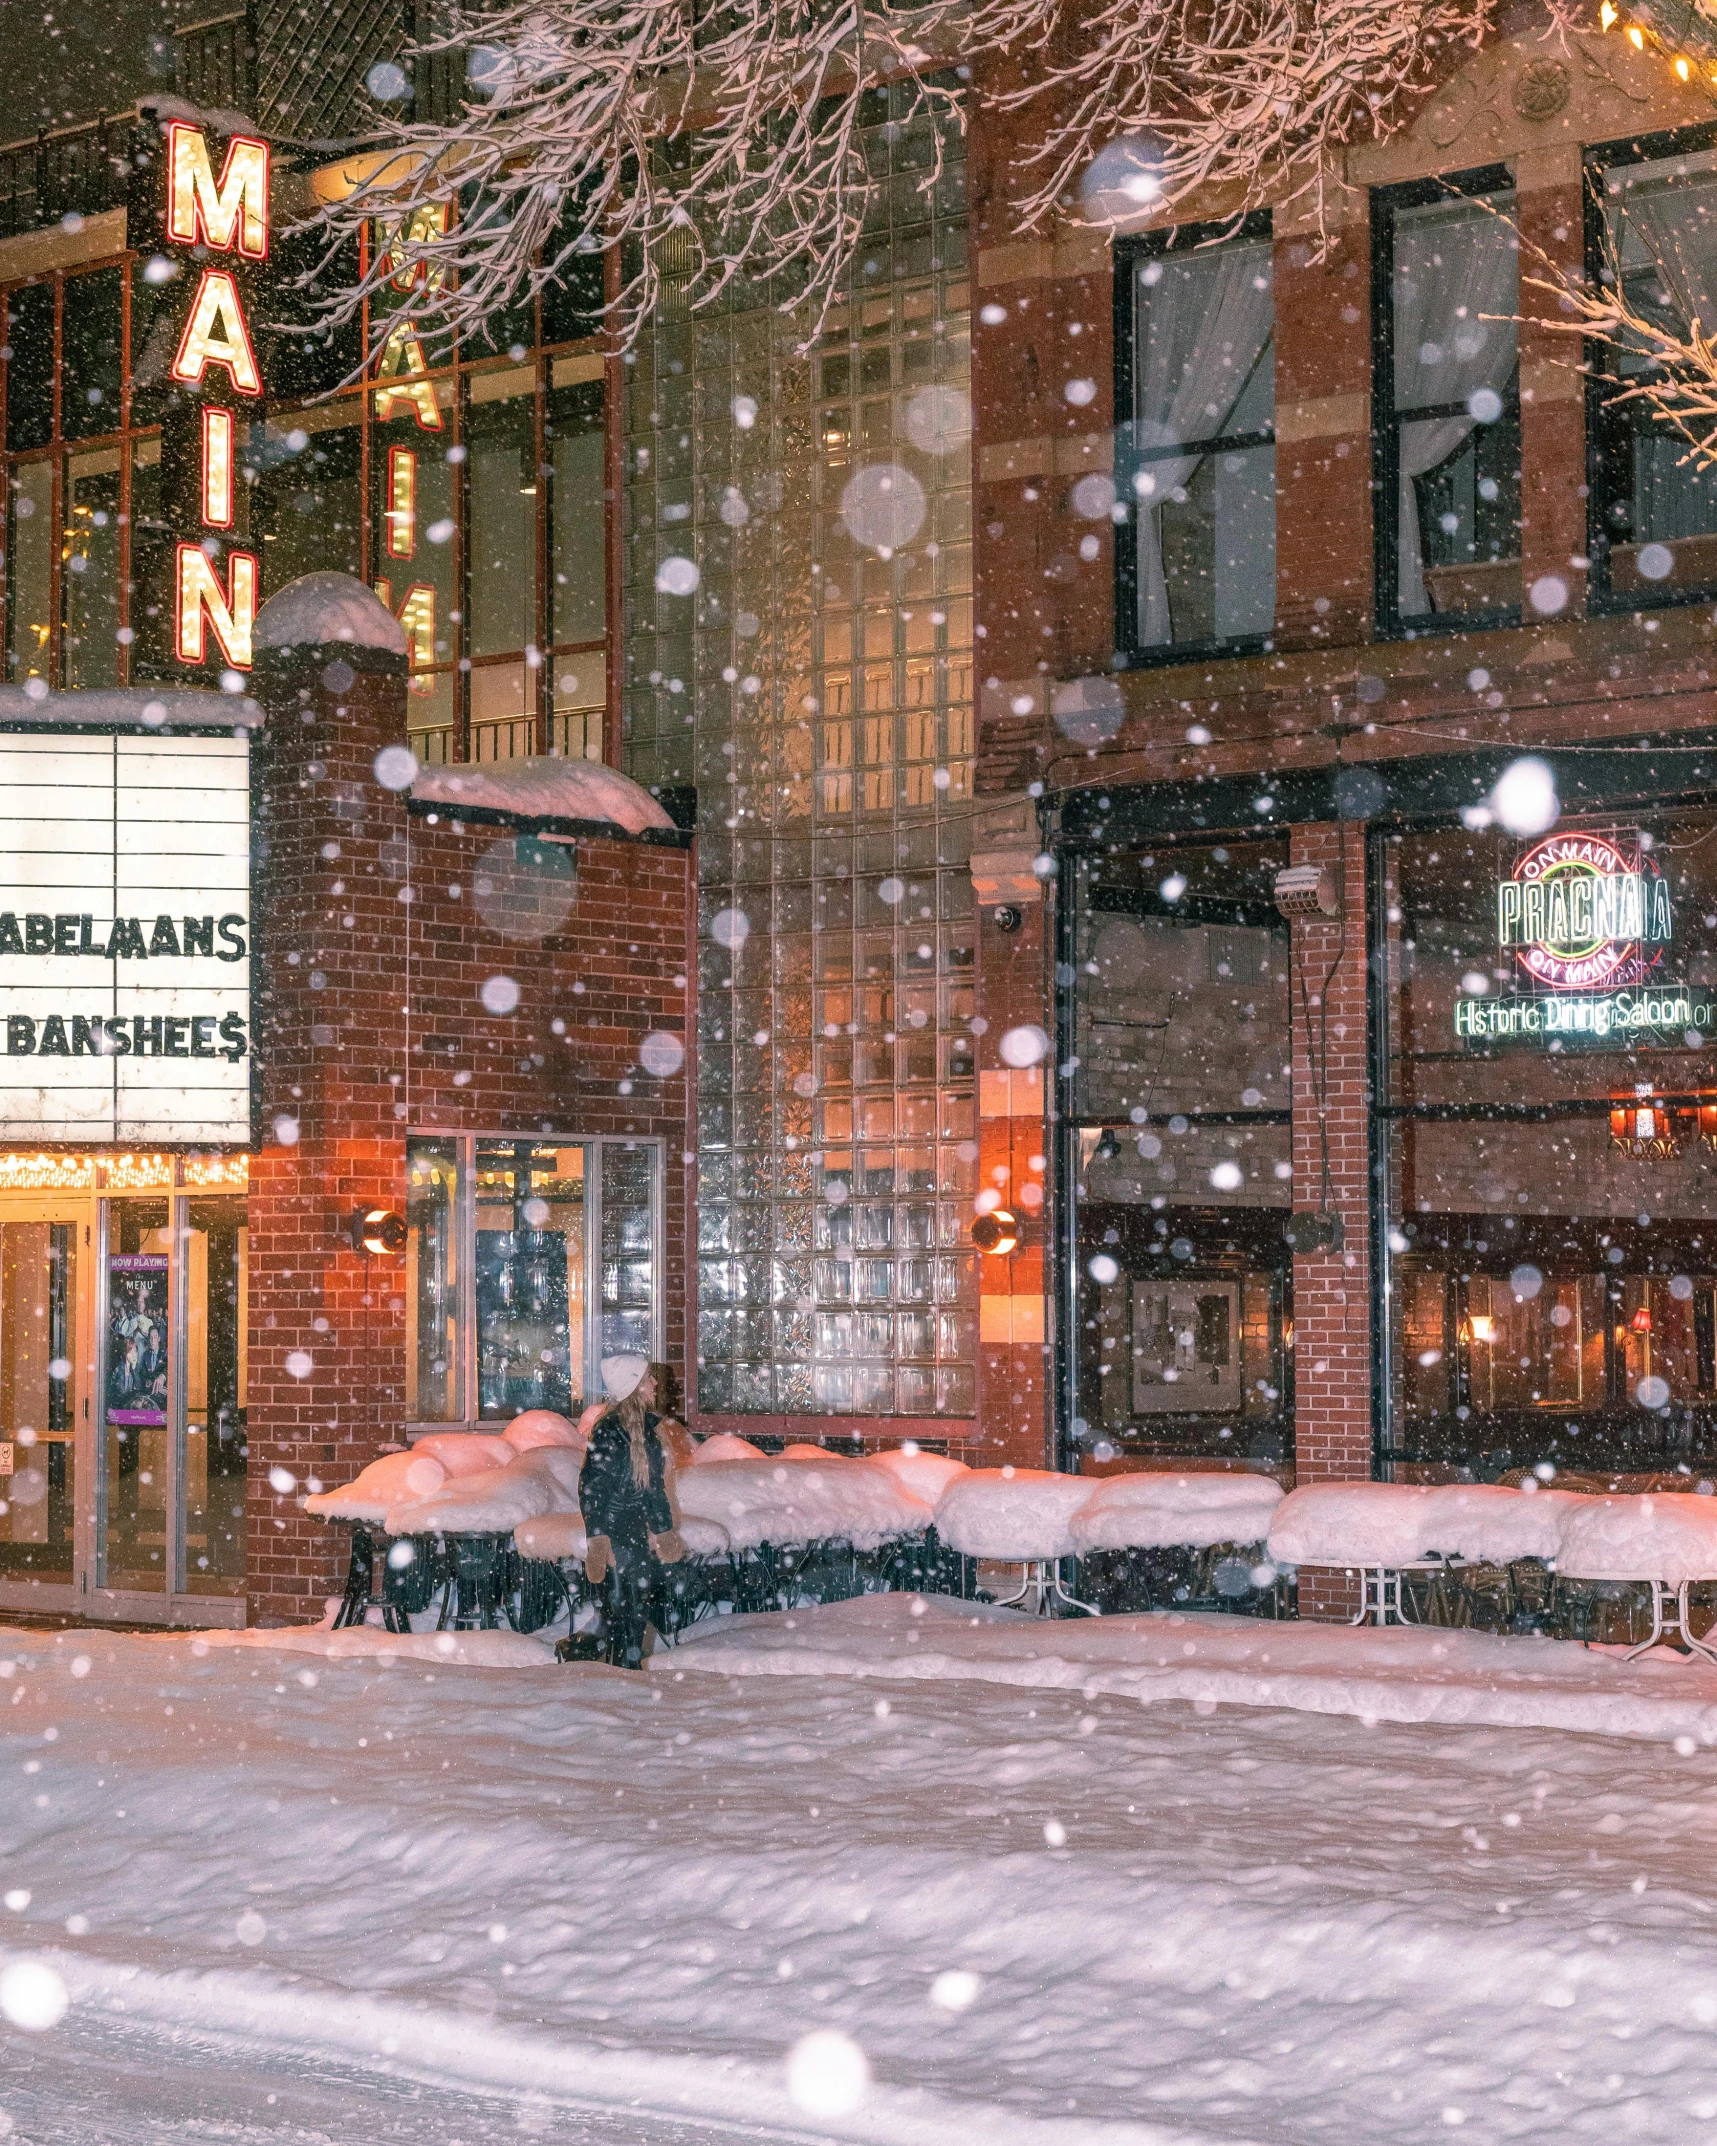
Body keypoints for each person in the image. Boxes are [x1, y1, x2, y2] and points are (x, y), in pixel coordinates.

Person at [575, 1355, 687, 1669]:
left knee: (636, 1612)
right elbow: (593, 1487)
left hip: (636, 1533)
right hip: (616, 1534)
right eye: (648, 1378)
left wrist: (664, 1531)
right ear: (633, 1386)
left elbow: (653, 1489)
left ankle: (626, 1679)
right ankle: (616, 1677)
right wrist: (598, 1540)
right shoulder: (609, 1431)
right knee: (623, 1613)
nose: (654, 1383)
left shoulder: (647, 1430)